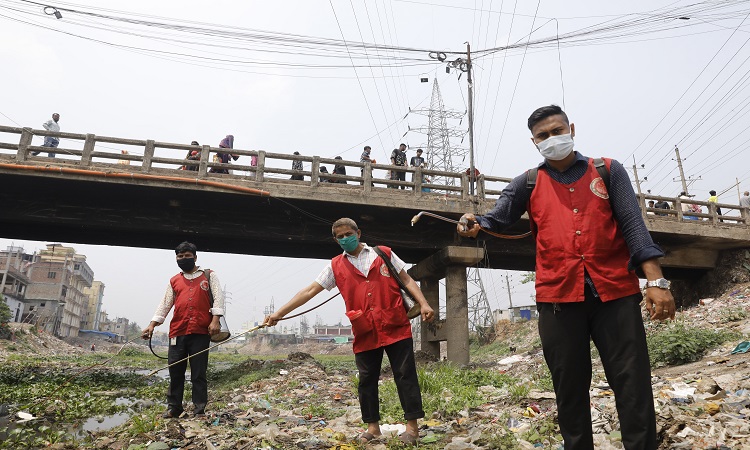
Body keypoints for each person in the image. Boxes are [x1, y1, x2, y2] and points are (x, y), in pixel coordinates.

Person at [457, 105, 675, 450]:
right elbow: (496, 218)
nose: (552, 139)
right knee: (569, 390)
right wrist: (475, 222)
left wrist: (655, 282)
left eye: (558, 131)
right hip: (558, 299)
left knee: (632, 384)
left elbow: (634, 225)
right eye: (544, 136)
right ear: (534, 142)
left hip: (615, 294)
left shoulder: (606, 170)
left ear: (571, 129)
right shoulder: (527, 182)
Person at [264, 218, 435, 445]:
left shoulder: (382, 254)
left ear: (359, 233)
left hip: (395, 324)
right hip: (365, 331)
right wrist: (279, 313)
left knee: (405, 375)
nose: (345, 239)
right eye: (340, 236)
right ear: (335, 240)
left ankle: (412, 428)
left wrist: (423, 303)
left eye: (348, 234)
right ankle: (373, 428)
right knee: (366, 379)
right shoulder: (335, 266)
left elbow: (406, 278)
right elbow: (309, 291)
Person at [141, 242, 225, 418]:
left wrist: (215, 320)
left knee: (199, 373)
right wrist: (152, 325)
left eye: (187, 256)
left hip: (201, 332)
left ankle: (199, 409)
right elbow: (165, 304)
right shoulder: (174, 281)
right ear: (176, 258)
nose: (183, 259)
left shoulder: (209, 276)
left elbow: (218, 298)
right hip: (178, 332)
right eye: (180, 257)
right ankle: (174, 408)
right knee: (175, 371)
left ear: (195, 257)